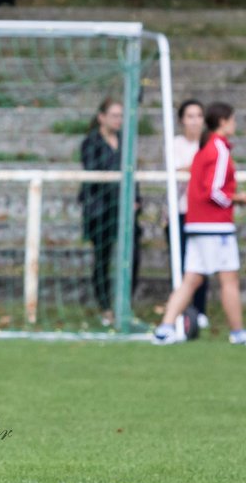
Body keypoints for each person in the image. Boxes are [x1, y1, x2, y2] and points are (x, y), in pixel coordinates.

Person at [152, 103, 246, 345]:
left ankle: (164, 328)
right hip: (214, 226)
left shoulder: (206, 148)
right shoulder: (218, 149)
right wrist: (237, 198)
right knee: (229, 279)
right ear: (223, 121)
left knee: (191, 279)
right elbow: (213, 191)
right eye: (233, 120)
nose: (235, 124)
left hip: (196, 223)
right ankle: (238, 332)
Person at [79, 98, 142, 327]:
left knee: (133, 257)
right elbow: (96, 177)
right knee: (102, 260)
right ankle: (105, 308)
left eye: (121, 115)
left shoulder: (126, 141)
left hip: (126, 212)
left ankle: (124, 306)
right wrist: (119, 199)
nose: (119, 120)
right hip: (102, 211)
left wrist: (135, 200)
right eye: (114, 115)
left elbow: (133, 173)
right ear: (101, 117)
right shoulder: (91, 143)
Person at [170, 99, 210, 329]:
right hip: (179, 211)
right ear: (182, 120)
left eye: (199, 116)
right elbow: (177, 170)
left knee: (201, 266)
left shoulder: (208, 144)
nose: (195, 121)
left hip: (201, 214)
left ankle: (199, 310)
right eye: (190, 116)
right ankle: (181, 310)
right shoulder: (175, 143)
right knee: (181, 263)